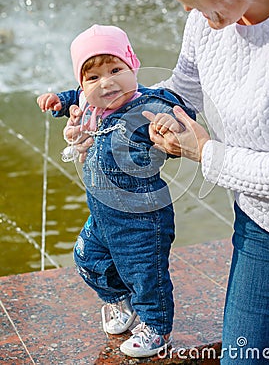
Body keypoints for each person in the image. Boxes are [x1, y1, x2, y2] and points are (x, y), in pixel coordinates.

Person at [143, 0, 269, 364]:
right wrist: (112, 107)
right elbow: (181, 91)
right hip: (266, 226)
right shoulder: (207, 17)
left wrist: (203, 151)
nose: (189, 11)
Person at [37, 24, 196, 358]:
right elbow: (72, 97)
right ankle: (117, 301)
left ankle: (156, 328)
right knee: (87, 258)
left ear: (132, 65)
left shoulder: (148, 104)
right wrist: (57, 101)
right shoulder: (90, 104)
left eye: (115, 70)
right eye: (92, 78)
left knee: (145, 274)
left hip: (142, 218)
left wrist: (170, 126)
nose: (106, 82)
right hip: (103, 213)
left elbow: (180, 114)